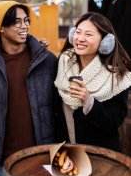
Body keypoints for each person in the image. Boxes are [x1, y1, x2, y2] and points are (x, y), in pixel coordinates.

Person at [0, 1, 57, 176]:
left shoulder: (46, 59)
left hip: (39, 152)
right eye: (16, 22)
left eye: (26, 21)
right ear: (1, 28)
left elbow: (57, 106)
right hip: (3, 156)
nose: (24, 26)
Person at [54, 12, 131, 152]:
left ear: (105, 41)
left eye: (88, 35)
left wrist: (88, 100)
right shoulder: (63, 62)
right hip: (66, 152)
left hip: (100, 156)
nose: (80, 38)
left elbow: (112, 123)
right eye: (78, 32)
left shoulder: (117, 76)